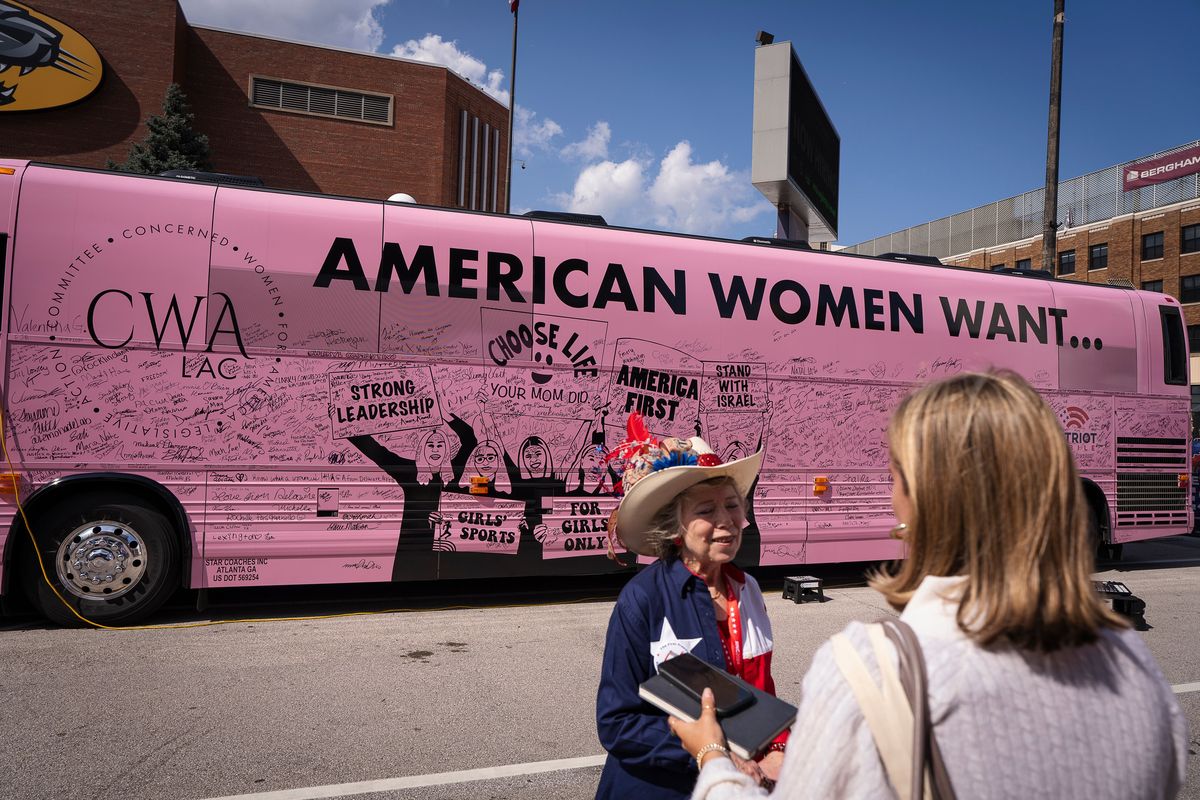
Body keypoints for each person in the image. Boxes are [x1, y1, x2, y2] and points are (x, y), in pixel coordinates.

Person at [671, 370, 1188, 799]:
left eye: (895, 473)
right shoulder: (1134, 665)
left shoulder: (871, 670)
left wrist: (712, 757)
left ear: (922, 501)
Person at [595, 413, 787, 799]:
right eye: (705, 510)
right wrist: (712, 754)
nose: (727, 521)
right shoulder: (642, 599)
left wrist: (778, 749)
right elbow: (617, 723)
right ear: (674, 527)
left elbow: (759, 692)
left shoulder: (747, 589)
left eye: (733, 505)